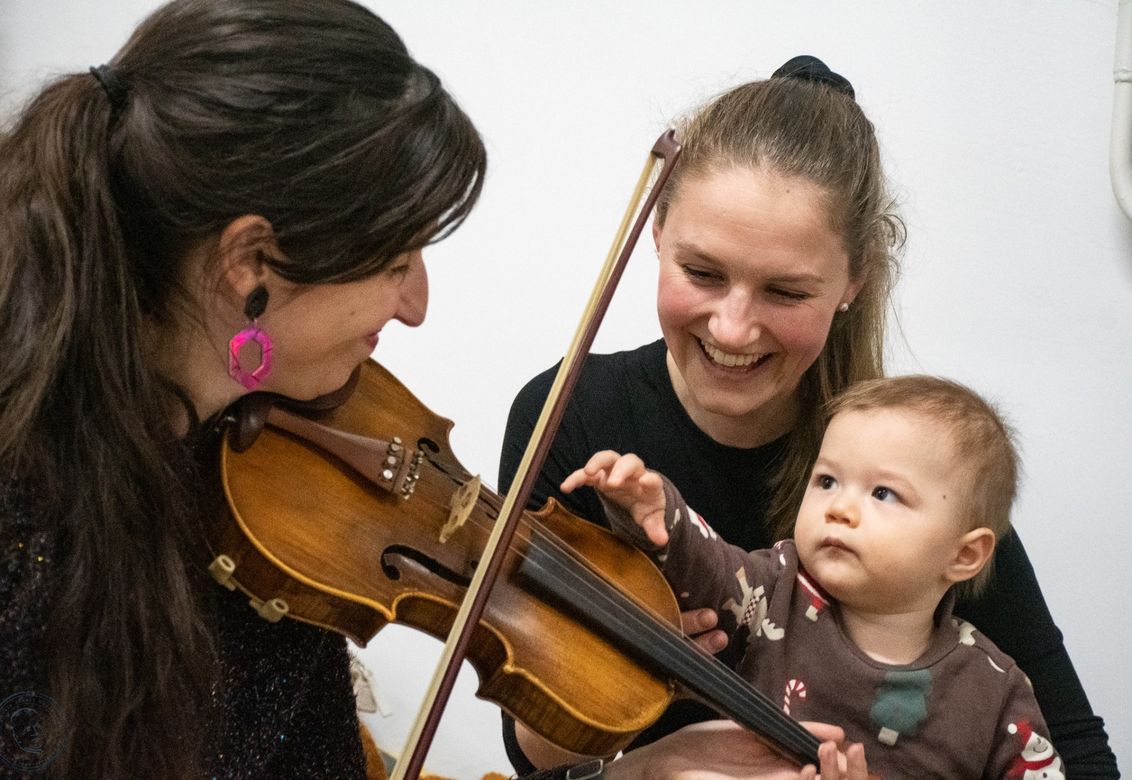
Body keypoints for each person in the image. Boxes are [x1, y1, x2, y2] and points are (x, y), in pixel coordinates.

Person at [0, 4, 864, 779]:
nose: (417, 306)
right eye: (395, 262)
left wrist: (636, 775)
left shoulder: (271, 492)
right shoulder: (31, 536)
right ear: (249, 264)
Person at [500, 57, 1120, 777]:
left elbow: (1076, 752)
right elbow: (534, 756)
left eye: (786, 292)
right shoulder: (571, 410)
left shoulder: (915, 458)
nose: (733, 329)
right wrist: (643, 755)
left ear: (854, 280)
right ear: (657, 234)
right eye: (702, 273)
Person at [563, 375, 1065, 779]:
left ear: (965, 554)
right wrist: (657, 513)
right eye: (827, 481)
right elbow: (709, 564)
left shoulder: (994, 689)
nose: (840, 508)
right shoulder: (777, 586)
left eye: (883, 493)